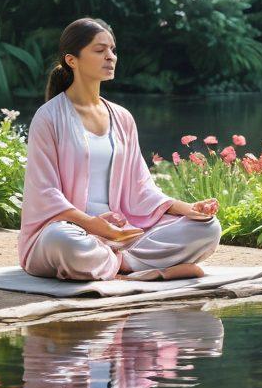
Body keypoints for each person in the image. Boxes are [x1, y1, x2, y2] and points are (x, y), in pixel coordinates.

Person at [18, 17, 222, 281]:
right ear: (72, 60)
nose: (110, 57)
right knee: (65, 242)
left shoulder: (122, 118)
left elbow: (141, 188)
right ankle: (139, 270)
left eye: (113, 50)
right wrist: (95, 226)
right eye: (100, 50)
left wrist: (188, 209)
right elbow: (45, 194)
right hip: (71, 231)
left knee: (207, 229)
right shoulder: (49, 118)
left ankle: (122, 265)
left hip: (123, 233)